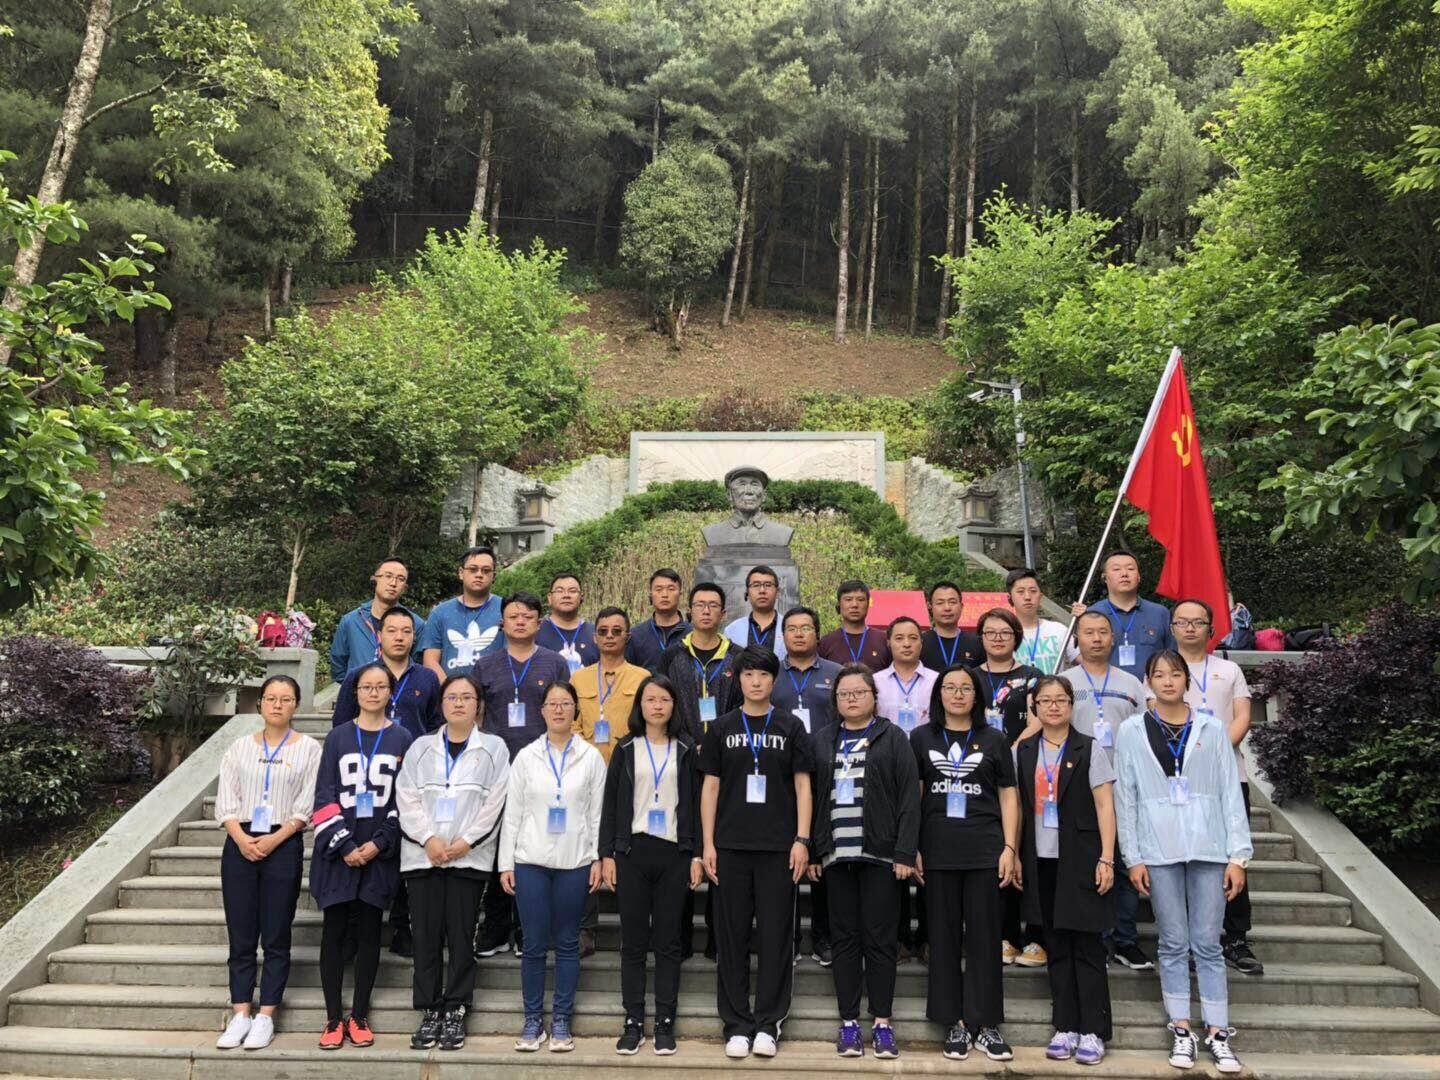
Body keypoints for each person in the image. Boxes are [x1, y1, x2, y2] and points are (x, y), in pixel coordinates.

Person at [1115, 650, 1251, 1076]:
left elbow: (1230, 790)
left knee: (1207, 943)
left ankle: (1218, 1031)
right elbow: (1126, 796)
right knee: (1173, 942)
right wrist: (1132, 856)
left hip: (1210, 846)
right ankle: (1180, 1027)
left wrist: (1238, 856)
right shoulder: (1131, 730)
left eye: (1175, 674)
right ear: (1148, 682)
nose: (1168, 681)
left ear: (1186, 681)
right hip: (1158, 848)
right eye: (1159, 675)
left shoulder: (1211, 728)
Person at [700, 645, 814, 1059]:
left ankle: (768, 1022)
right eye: (748, 674)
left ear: (773, 679)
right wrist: (708, 844)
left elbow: (803, 785)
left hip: (778, 848)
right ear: (739, 679)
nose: (756, 681)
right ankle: (736, 1024)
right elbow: (710, 787)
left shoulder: (790, 726)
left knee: (775, 936)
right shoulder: (721, 727)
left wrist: (802, 840)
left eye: (763, 674)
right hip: (730, 846)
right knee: (731, 938)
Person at [808, 665, 920, 1060]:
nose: (851, 699)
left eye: (859, 692)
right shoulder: (823, 740)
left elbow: (909, 796)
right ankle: (849, 1022)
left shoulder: (893, 737)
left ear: (874, 696)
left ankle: (883, 1023)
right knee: (844, 941)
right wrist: (815, 850)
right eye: (844, 694)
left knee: (880, 940)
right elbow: (813, 797)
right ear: (835, 701)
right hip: (836, 856)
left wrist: (905, 851)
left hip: (881, 856)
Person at [395, 674, 509, 1052]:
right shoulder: (420, 748)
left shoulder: (493, 748)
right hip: (423, 856)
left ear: (479, 706)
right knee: (425, 936)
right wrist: (429, 840)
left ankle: (457, 1005)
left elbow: (495, 803)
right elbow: (406, 798)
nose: (459, 703)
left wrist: (463, 844)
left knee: (462, 936)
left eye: (467, 697)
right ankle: (430, 1008)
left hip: (469, 859)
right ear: (441, 704)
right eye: (452, 697)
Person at [912, 664, 1019, 1063]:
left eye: (965, 688)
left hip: (984, 850)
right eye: (950, 687)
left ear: (977, 696)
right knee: (941, 939)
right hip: (937, 851)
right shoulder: (921, 737)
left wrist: (1010, 847)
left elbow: (1008, 794)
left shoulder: (994, 739)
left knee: (985, 939)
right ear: (938, 694)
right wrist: (912, 847)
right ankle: (953, 1023)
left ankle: (985, 1023)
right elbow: (914, 795)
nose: (957, 694)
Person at [214, 675, 321, 1051]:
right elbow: (226, 801)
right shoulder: (239, 747)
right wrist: (242, 839)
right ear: (260, 703)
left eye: (286, 699)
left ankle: (266, 1015)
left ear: (296, 705)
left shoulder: (309, 749)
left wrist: (275, 839)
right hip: (240, 843)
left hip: (284, 843)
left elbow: (306, 805)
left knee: (276, 934)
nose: (277, 705)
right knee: (241, 934)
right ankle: (241, 1012)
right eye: (271, 698)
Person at [499, 681, 607, 1053]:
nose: (559, 709)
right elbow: (512, 813)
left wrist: (596, 857)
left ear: (575, 710)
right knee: (532, 944)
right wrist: (506, 863)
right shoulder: (526, 756)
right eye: (552, 704)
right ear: (542, 710)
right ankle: (532, 1020)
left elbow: (597, 814)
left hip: (575, 861)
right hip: (530, 860)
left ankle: (561, 1019)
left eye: (565, 703)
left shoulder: (590, 757)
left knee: (567, 943)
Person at [1015, 677, 1117, 1067]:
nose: (1054, 706)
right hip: (1041, 859)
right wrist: (1015, 853)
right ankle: (1065, 1026)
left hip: (1082, 857)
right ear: (1035, 707)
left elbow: (1105, 805)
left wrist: (1107, 857)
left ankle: (1093, 1029)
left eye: (1061, 700)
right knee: (1056, 947)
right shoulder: (1025, 750)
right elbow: (1016, 805)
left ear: (1072, 705)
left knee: (1087, 947)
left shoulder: (1088, 747)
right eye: (1045, 701)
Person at [310, 662, 413, 1050]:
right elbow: (324, 795)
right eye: (366, 686)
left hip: (378, 853)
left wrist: (379, 844)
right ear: (355, 692)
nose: (373, 693)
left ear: (390, 693)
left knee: (370, 932)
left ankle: (359, 1015)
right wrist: (346, 845)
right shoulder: (338, 737)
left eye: (380, 686)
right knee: (334, 932)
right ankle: (333, 1017)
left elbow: (406, 798)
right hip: (339, 853)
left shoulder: (402, 738)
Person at [599, 675, 702, 1056]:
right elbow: (611, 805)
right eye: (650, 700)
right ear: (639, 706)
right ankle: (633, 1019)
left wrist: (696, 854)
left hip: (674, 853)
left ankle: (664, 1021)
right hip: (632, 852)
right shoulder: (626, 748)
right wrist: (607, 854)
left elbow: (695, 805)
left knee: (669, 941)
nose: (657, 706)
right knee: (633, 941)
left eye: (664, 700)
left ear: (674, 706)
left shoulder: (686, 750)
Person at [474, 593, 572, 957]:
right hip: (498, 768)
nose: (520, 621)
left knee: (535, 848)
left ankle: (528, 929)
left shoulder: (554, 663)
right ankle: (496, 928)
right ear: (502, 623)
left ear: (539, 623)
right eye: (513, 616)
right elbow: (477, 715)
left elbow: (564, 710)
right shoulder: (485, 665)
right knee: (498, 848)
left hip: (542, 767)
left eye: (527, 616)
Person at [1058, 611, 1152, 972]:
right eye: (1088, 632)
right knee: (1086, 863)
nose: (1096, 639)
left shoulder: (1131, 683)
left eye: (1102, 632)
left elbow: (1145, 733)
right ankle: (1092, 939)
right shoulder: (1064, 683)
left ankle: (1125, 940)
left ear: (1113, 639)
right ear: (1077, 639)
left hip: (1125, 785)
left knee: (1125, 863)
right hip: (1077, 787)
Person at [1171, 598, 1261, 976]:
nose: (1190, 628)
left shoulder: (1229, 669)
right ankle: (1192, 939)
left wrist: (1217, 752)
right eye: (1183, 621)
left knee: (1232, 855)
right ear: (1173, 627)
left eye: (1198, 622)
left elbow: (1242, 716)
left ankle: (1236, 937)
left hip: (1228, 776)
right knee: (1186, 858)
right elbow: (1156, 716)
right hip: (1181, 779)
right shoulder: (1163, 669)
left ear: (1211, 628)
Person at [771, 606, 842, 965]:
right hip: (782, 775)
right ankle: (790, 936)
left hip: (827, 772)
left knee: (824, 854)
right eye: (792, 629)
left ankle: (823, 936)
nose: (799, 634)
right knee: (788, 855)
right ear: (783, 636)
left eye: (806, 628)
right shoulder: (770, 674)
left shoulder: (836, 674)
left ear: (818, 633)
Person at [976, 607, 1045, 968]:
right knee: (997, 849)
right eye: (990, 632)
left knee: (1028, 850)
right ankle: (1004, 934)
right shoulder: (969, 677)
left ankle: (1036, 936)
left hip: (1024, 766)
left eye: (1005, 632)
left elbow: (1040, 719)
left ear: (1016, 636)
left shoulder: (1032, 677)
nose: (998, 638)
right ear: (981, 637)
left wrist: (1009, 750)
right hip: (982, 774)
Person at [334, 607, 442, 740]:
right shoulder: (358, 676)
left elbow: (436, 726)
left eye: (406, 631)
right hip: (368, 751)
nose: (399, 637)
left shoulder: (428, 678)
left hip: (414, 751)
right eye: (391, 631)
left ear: (414, 637)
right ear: (379, 636)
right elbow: (341, 725)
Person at [657, 583, 742, 743]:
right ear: (689, 611)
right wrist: (686, 743)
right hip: (682, 747)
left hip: (727, 746)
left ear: (723, 614)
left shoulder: (738, 656)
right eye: (700, 605)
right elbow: (663, 702)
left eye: (713, 605)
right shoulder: (671, 656)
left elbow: (743, 705)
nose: (706, 611)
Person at [1070, 551, 1175, 681]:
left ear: (1139, 577)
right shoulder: (1092, 615)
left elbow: (1173, 655)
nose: (1124, 574)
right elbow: (1082, 657)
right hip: (1106, 688)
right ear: (1104, 577)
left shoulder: (1160, 613)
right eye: (1116, 569)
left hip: (1152, 689)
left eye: (1130, 569)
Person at [329, 557, 426, 681]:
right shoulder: (351, 621)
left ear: (405, 587)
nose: (393, 583)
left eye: (400, 579)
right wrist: (356, 686)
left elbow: (418, 667)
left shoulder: (416, 624)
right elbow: (338, 667)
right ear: (375, 579)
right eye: (388, 576)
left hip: (400, 691)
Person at [577, 608, 651, 764]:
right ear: (595, 638)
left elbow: (650, 723)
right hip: (587, 763)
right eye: (603, 631)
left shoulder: (642, 678)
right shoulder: (578, 679)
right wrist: (583, 754)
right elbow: (571, 723)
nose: (609, 636)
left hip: (629, 762)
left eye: (616, 631)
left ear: (627, 637)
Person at [421, 546, 504, 678]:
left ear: (493, 576)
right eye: (473, 569)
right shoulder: (440, 612)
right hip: (449, 689)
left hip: (494, 688)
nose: (479, 574)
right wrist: (449, 688)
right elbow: (430, 660)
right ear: (461, 573)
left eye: (486, 570)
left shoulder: (506, 610)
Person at [1006, 568, 1071, 675]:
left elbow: (1089, 661)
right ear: (1010, 597)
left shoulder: (1059, 630)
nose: (1027, 597)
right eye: (1020, 591)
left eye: (1033, 591)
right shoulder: (1003, 634)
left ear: (1040, 596)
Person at [625, 569, 691, 672]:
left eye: (671, 589)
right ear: (651, 594)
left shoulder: (693, 634)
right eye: (658, 589)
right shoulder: (636, 635)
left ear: (680, 594)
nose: (664, 594)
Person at [819, 580, 891, 672]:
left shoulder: (884, 640)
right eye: (848, 600)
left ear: (868, 605)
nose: (854, 605)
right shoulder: (826, 642)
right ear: (839, 605)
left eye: (860, 600)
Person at [537, 573, 598, 674]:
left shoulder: (596, 633)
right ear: (550, 598)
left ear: (581, 597)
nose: (566, 595)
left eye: (572, 591)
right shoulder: (536, 631)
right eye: (559, 591)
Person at [724, 565, 787, 660]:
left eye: (768, 585)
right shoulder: (731, 630)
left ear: (777, 592)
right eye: (756, 585)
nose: (762, 591)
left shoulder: (788, 627)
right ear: (747, 593)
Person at [920, 581, 982, 671]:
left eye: (952, 602)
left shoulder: (977, 643)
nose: (947, 608)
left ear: (961, 606)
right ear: (930, 606)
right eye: (940, 603)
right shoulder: (919, 643)